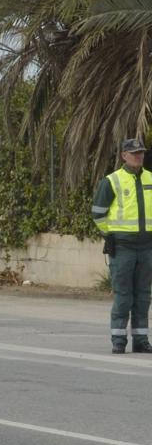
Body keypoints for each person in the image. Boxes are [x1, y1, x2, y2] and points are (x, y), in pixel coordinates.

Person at [92, 138, 152, 354]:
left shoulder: (150, 179)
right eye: (134, 153)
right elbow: (98, 213)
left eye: (141, 153)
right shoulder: (112, 181)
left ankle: (141, 339)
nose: (139, 156)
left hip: (146, 246)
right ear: (124, 156)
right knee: (124, 295)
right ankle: (118, 340)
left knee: (144, 294)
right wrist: (110, 235)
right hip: (123, 246)